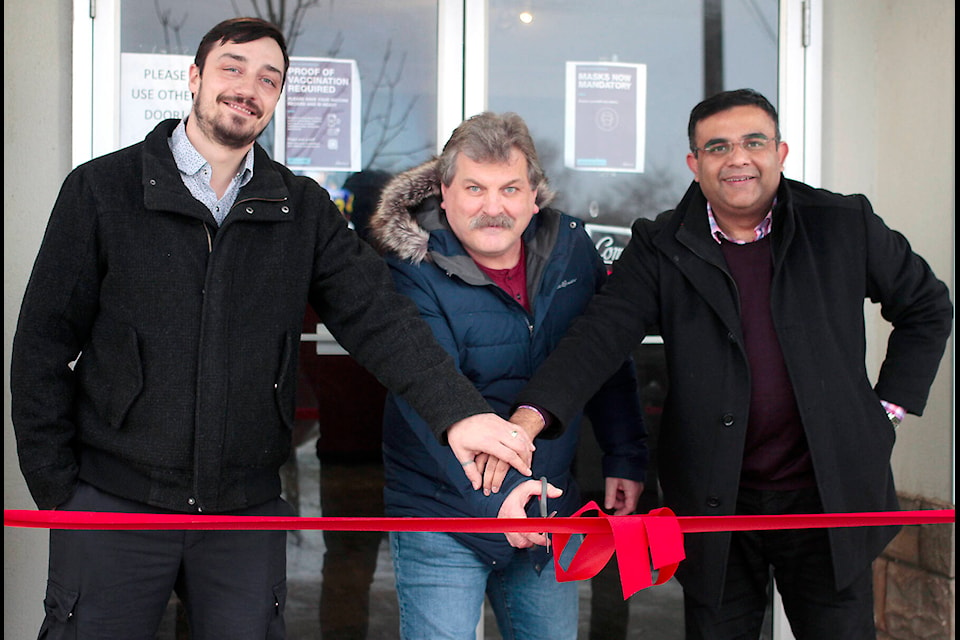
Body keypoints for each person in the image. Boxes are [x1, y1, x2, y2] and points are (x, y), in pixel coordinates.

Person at [9, 18, 533, 640]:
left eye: (268, 78)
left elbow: (380, 319)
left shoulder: (300, 208)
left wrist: (459, 415)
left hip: (243, 511)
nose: (247, 88)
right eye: (232, 68)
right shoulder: (101, 191)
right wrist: (62, 493)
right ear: (196, 78)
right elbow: (41, 347)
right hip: (114, 502)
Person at [499, 89, 953, 639]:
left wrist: (885, 413)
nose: (737, 158)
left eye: (753, 142)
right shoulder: (661, 243)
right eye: (718, 147)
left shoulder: (841, 222)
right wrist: (527, 420)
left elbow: (926, 306)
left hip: (828, 501)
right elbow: (597, 339)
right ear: (695, 163)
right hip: (716, 504)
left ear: (780, 152)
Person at [368, 111, 649, 639]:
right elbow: (423, 392)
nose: (493, 207)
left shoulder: (571, 250)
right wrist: (498, 500)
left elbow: (601, 359)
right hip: (441, 511)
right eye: (474, 188)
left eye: (509, 188)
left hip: (547, 505)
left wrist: (626, 456)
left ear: (534, 196)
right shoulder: (411, 266)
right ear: (443, 193)